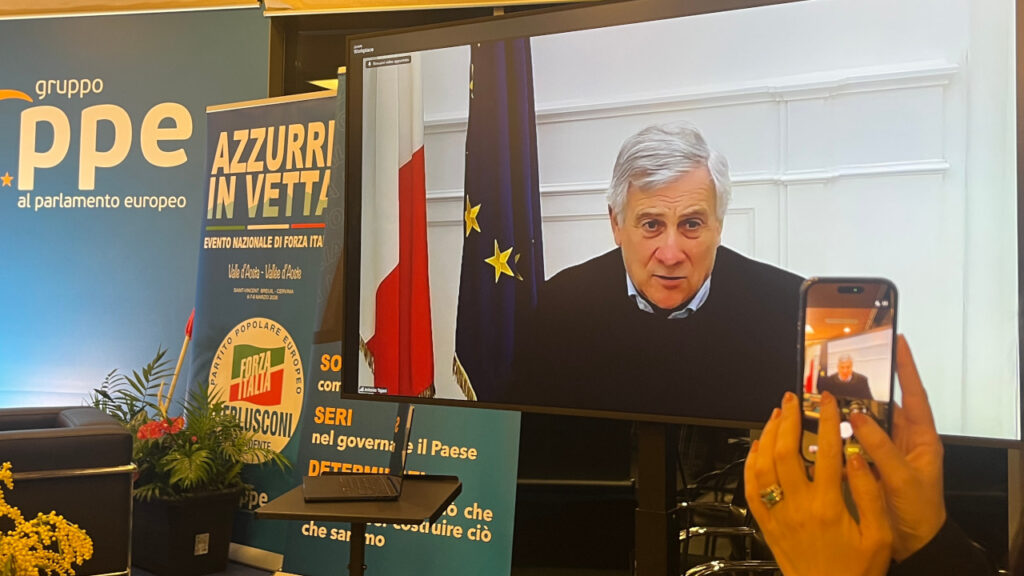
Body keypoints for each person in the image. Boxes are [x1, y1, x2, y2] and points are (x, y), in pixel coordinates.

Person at [509, 123, 803, 423]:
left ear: (718, 225)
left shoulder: (790, 309)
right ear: (616, 224)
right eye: (651, 225)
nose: (671, 255)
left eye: (691, 224)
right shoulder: (559, 307)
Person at [745, 336, 996, 576]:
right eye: (841, 364)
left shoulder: (861, 379)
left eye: (847, 364)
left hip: (857, 425)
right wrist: (925, 540)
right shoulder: (829, 378)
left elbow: (867, 402)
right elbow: (821, 401)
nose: (844, 368)